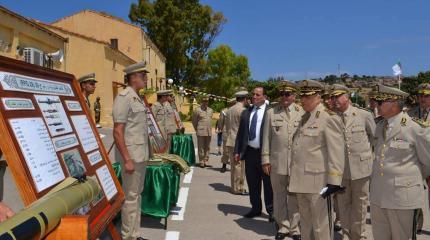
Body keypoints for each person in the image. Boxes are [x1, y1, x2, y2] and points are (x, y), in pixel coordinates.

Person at [370, 84, 430, 240]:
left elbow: (428, 161)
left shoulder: (414, 127)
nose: (377, 105)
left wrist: (410, 180)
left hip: (402, 197)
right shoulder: (379, 126)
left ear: (394, 103)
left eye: (380, 101)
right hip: (379, 196)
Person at [325, 84, 376, 240]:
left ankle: (359, 235)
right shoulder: (330, 118)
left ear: (346, 97)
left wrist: (369, 158)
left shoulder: (363, 115)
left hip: (361, 169)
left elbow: (375, 138)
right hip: (340, 172)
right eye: (332, 97)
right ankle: (346, 235)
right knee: (343, 205)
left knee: (360, 206)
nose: (334, 100)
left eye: (337, 96)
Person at [289, 80, 336, 240]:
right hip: (301, 180)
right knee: (306, 224)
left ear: (318, 97)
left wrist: (334, 182)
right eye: (302, 96)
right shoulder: (305, 117)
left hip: (320, 183)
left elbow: (336, 152)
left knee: (321, 225)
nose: (302, 100)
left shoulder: (328, 118)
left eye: (307, 97)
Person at [112, 61, 151, 240]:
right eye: (143, 75)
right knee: (130, 198)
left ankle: (135, 234)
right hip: (132, 157)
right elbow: (117, 131)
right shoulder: (124, 97)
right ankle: (127, 236)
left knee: (137, 196)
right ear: (133, 77)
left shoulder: (137, 97)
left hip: (141, 155)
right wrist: (126, 159)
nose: (146, 78)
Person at [261, 82, 302, 240]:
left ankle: (295, 227)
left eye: (288, 94)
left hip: (297, 163)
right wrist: (265, 159)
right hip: (277, 162)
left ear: (294, 96)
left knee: (295, 196)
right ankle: (283, 226)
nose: (285, 97)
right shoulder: (271, 113)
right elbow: (266, 138)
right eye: (282, 94)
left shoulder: (302, 112)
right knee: (278, 195)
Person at [234, 87, 273, 220]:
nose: (254, 97)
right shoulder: (247, 112)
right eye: (253, 95)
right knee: (252, 183)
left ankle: (271, 211)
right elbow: (240, 134)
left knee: (268, 184)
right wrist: (237, 151)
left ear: (264, 97)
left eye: (258, 95)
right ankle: (255, 208)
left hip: (265, 154)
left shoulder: (271, 112)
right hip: (250, 153)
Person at [408, 83, 430, 234]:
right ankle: (416, 222)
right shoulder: (410, 113)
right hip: (415, 159)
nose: (422, 98)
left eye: (426, 95)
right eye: (420, 95)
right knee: (413, 193)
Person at [226, 91, 248, 194]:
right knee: (239, 165)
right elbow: (244, 128)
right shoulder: (243, 110)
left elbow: (227, 126)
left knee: (234, 165)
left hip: (230, 139)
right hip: (238, 141)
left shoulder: (229, 110)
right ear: (245, 99)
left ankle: (235, 186)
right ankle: (238, 187)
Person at [192, 96, 213, 168]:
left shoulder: (210, 110)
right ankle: (201, 161)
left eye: (207, 101)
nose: (205, 103)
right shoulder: (197, 110)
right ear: (202, 102)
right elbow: (194, 121)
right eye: (204, 101)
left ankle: (206, 160)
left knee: (207, 147)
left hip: (209, 131)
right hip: (200, 131)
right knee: (201, 147)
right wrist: (196, 129)